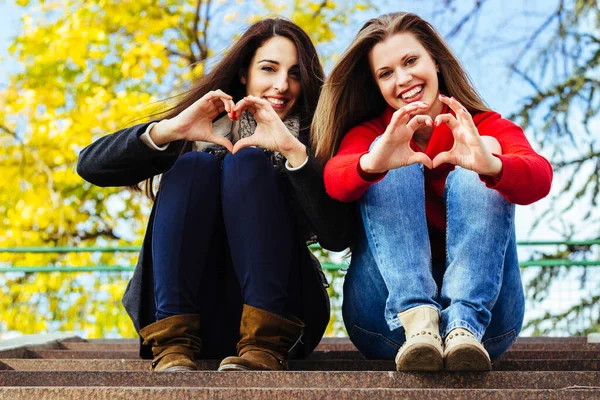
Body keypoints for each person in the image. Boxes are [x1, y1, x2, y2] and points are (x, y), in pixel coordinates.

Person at [77, 18, 355, 372]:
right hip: (184, 314)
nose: (282, 85)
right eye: (268, 69)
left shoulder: (313, 140)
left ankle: (263, 341)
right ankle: (173, 341)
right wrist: (171, 130)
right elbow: (89, 166)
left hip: (282, 320)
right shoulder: (196, 129)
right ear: (243, 73)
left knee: (248, 163)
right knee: (197, 165)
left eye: (295, 74)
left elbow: (336, 236)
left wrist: (292, 152)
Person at [311, 12, 553, 372]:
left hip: (488, 326)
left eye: (411, 61)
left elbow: (540, 176)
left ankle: (463, 324)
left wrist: (491, 166)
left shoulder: (484, 125)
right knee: (388, 155)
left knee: (484, 153)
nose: (403, 79)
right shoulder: (370, 132)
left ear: (435, 62)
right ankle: (418, 319)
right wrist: (373, 162)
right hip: (386, 322)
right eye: (386, 73)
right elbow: (335, 180)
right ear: (376, 85)